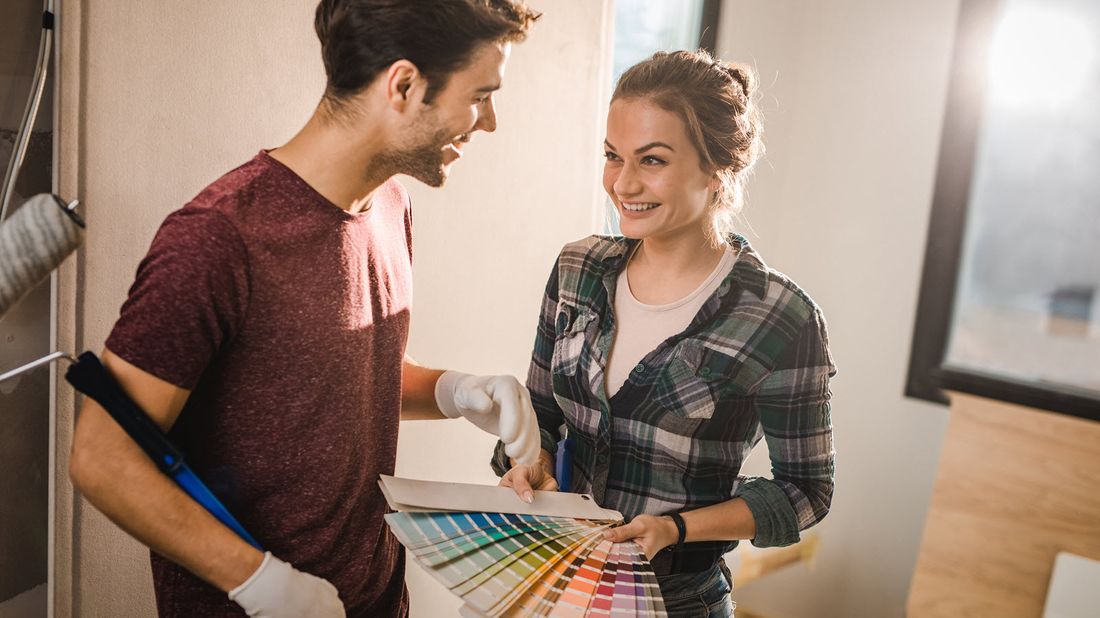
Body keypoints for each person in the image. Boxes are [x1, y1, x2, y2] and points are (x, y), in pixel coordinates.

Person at [68, 1, 542, 617]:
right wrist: (259, 581)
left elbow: (325, 380)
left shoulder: (390, 206)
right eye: (480, 95)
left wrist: (456, 391)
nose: (490, 122)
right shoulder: (218, 239)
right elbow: (102, 458)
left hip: (374, 600)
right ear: (402, 85)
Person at [495, 49, 836, 617]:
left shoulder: (781, 317)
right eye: (612, 156)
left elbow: (806, 492)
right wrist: (527, 460)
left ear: (716, 166)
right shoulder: (577, 269)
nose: (623, 183)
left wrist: (677, 529)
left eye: (651, 160)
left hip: (675, 601)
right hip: (554, 585)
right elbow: (539, 413)